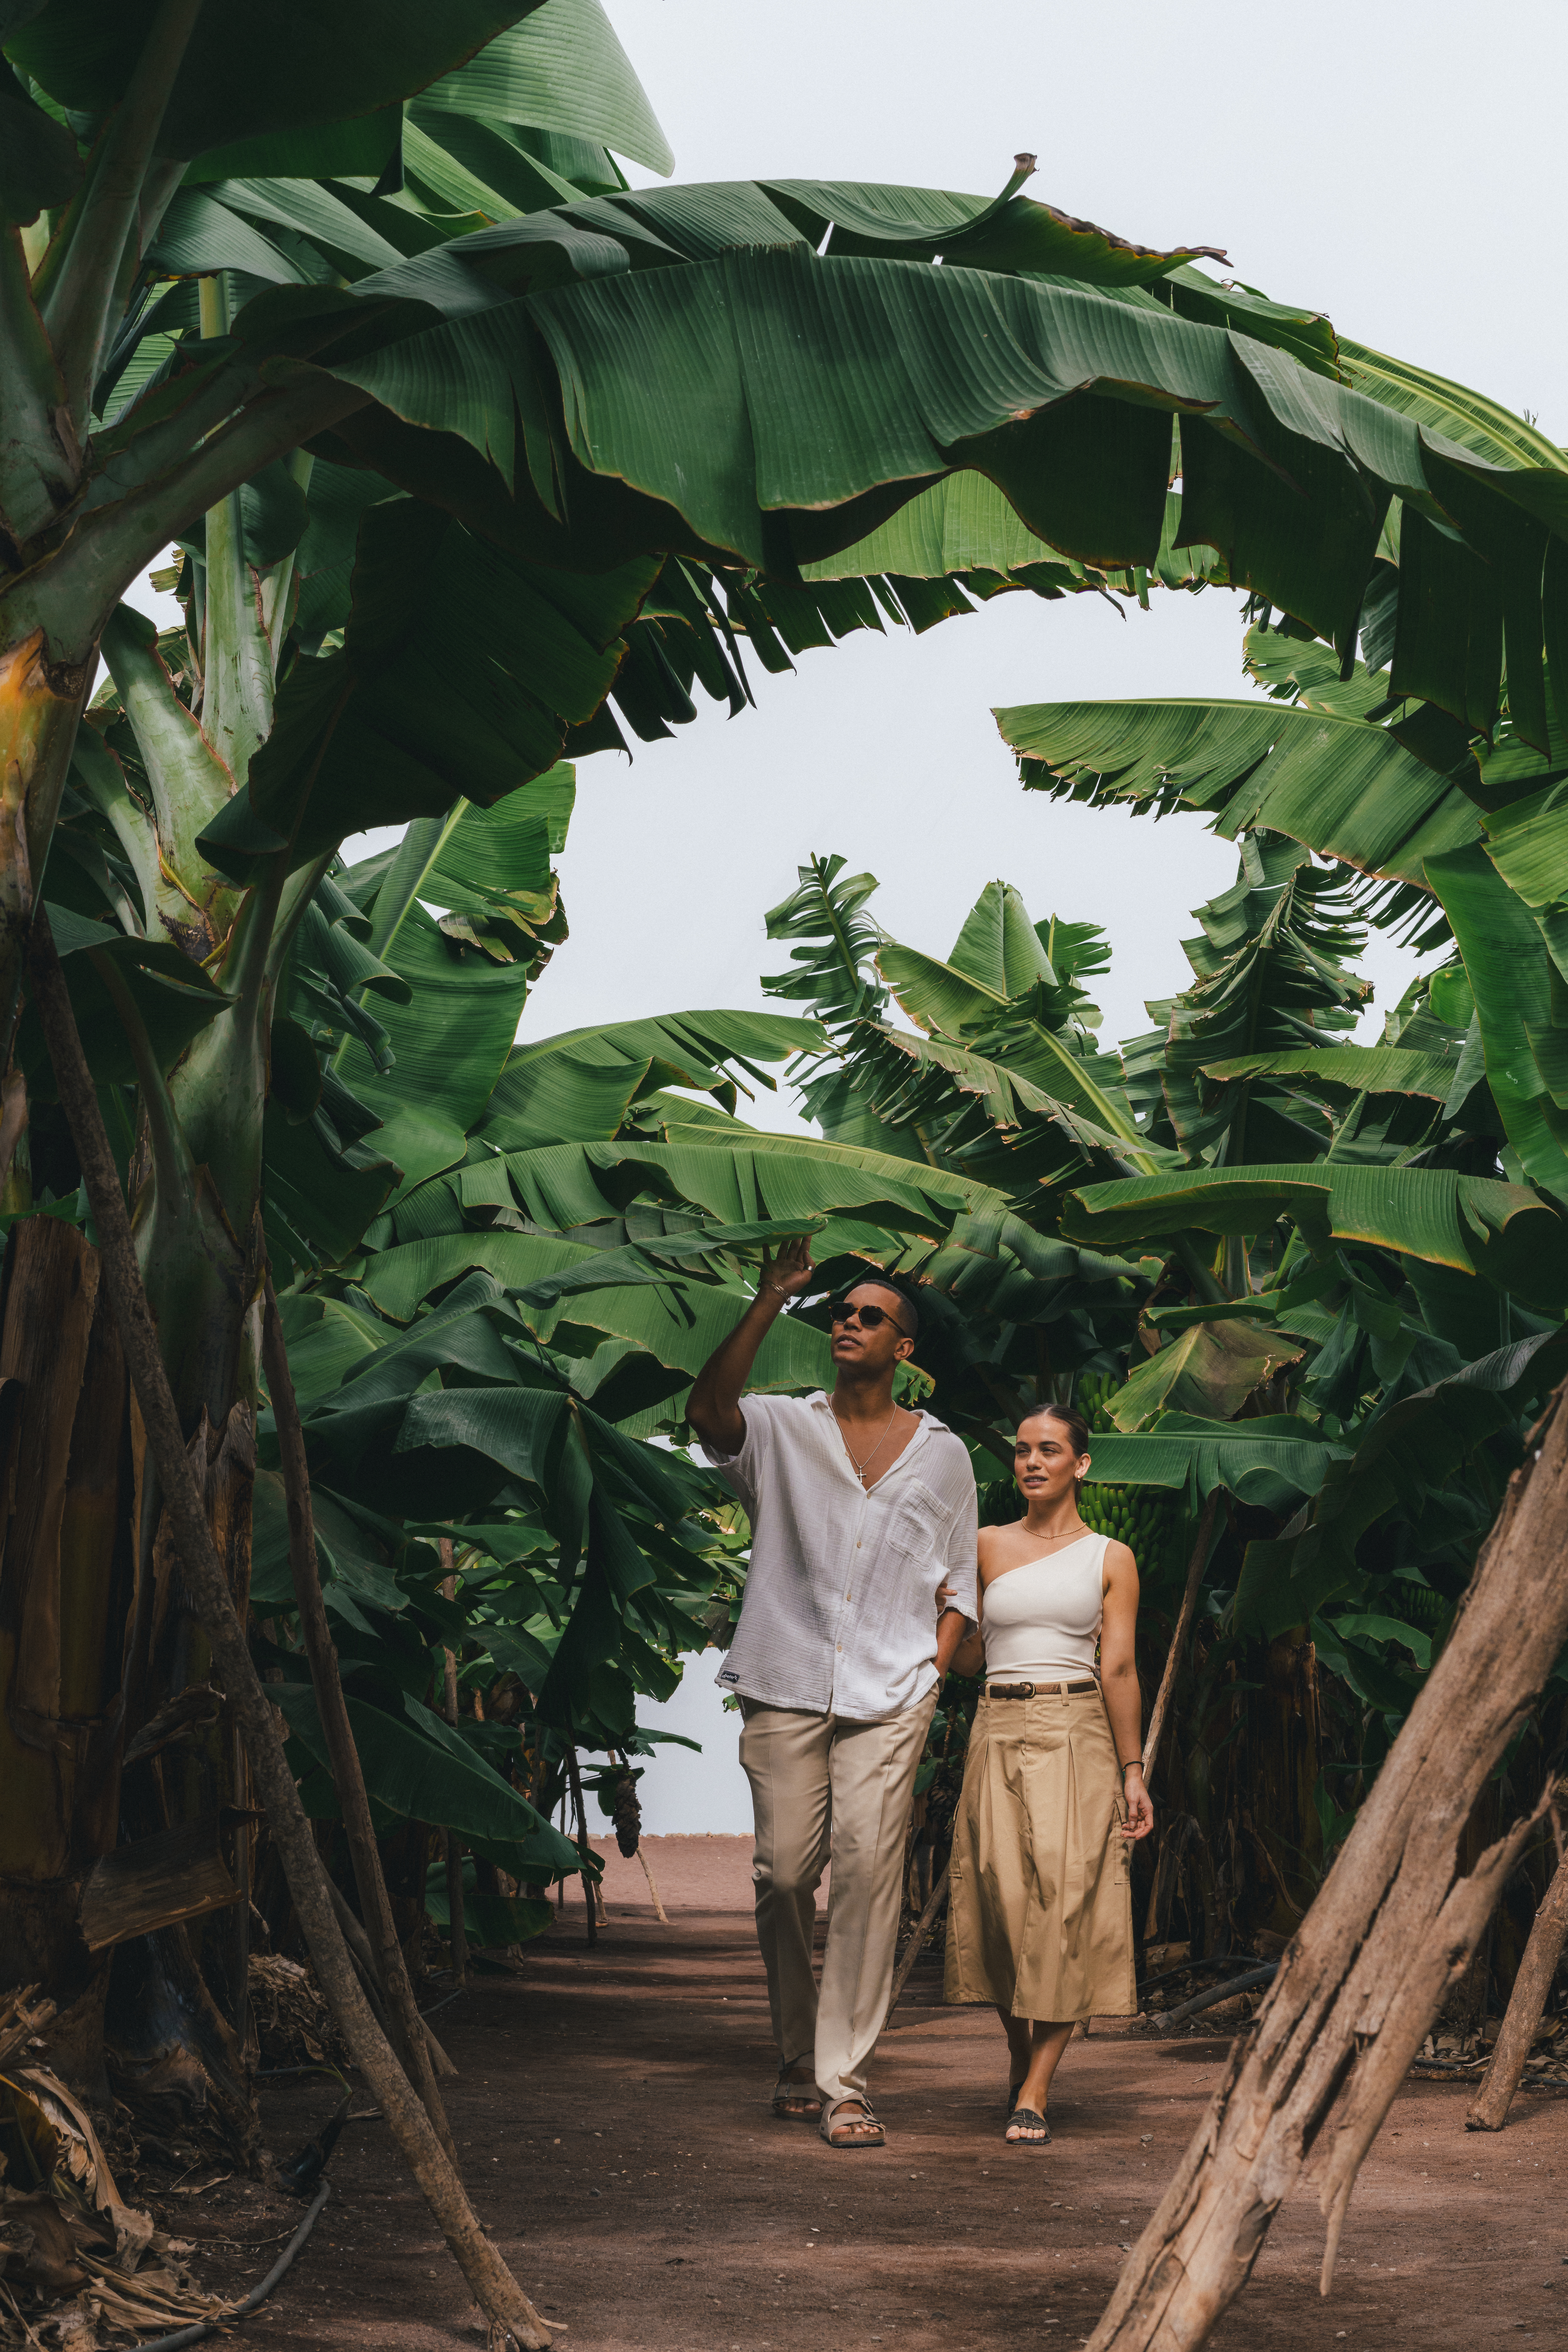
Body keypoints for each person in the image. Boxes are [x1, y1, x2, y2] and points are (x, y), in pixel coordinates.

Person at [687, 1237, 977, 2151]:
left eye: (869, 1316)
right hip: (785, 1677)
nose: (847, 1323)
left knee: (865, 1879)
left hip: (893, 1693)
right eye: (842, 1314)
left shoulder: (944, 1456)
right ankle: (793, 2050)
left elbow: (962, 1579)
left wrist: (935, 1668)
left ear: (905, 1350)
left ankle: (841, 2080)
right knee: (783, 1877)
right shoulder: (782, 1427)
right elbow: (707, 1411)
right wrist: (772, 1295)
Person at [943, 1402, 1154, 2145]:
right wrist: (949, 1625)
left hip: (1078, 1731)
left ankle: (1036, 2087)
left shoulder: (1111, 1556)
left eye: (1051, 1450)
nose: (1033, 1462)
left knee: (1069, 1902)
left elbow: (1119, 1667)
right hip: (997, 1725)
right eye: (1024, 1451)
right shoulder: (984, 1546)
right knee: (999, 1902)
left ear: (1080, 1464)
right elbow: (968, 1658)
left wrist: (1134, 1771)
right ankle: (1017, 2046)